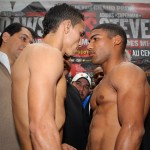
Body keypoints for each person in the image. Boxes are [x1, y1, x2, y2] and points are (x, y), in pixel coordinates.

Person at [11, 3, 85, 150]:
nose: (82, 41)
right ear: (67, 26)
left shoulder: (37, 53)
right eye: (81, 33)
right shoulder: (47, 53)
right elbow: (41, 127)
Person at [87, 23, 150, 150]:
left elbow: (133, 129)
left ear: (116, 40)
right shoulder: (101, 85)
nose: (89, 46)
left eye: (95, 39)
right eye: (89, 41)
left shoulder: (126, 71)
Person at [0, 22, 36, 150]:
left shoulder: (25, 75)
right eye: (23, 38)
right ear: (5, 37)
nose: (27, 45)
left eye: (30, 43)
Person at [63, 72, 91, 150]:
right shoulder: (62, 101)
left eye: (86, 87)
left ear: (89, 91)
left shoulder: (89, 108)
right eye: (78, 83)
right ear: (71, 84)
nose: (81, 89)